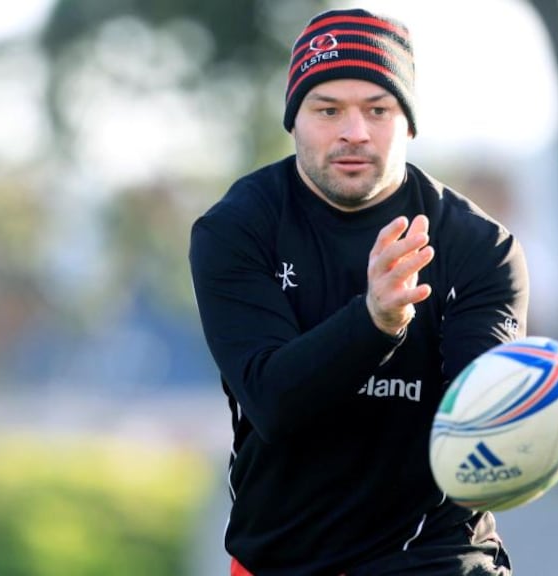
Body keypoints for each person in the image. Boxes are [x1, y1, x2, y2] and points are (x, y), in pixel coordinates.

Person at [189, 8, 528, 576]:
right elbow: (273, 401)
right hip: (284, 559)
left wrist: (525, 420)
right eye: (328, 110)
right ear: (294, 120)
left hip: (435, 560)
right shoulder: (239, 229)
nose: (355, 131)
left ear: (409, 124)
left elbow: (480, 427)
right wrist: (376, 320)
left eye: (378, 109)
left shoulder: (479, 247)